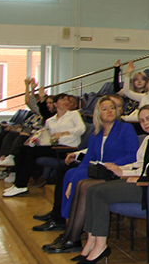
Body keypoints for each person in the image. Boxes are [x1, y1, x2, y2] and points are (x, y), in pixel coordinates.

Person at [75, 104, 149, 264]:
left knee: (99, 193)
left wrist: (140, 180)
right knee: (92, 190)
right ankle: (91, 241)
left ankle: (100, 245)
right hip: (146, 183)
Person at [49, 105, 149, 248]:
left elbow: (143, 167)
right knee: (73, 176)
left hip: (139, 182)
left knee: (87, 187)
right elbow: (138, 164)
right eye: (142, 121)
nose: (146, 123)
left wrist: (119, 170)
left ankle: (77, 237)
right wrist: (119, 169)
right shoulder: (147, 139)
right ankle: (69, 232)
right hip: (124, 172)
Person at [32, 96, 137, 246]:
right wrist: (71, 182)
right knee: (70, 173)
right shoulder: (96, 134)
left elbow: (132, 154)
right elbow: (88, 159)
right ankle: (69, 227)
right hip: (99, 169)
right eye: (105, 109)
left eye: (112, 108)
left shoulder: (125, 129)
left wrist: (112, 165)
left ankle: (72, 233)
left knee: (78, 175)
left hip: (116, 171)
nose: (110, 111)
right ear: (98, 114)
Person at [3, 93, 86, 197]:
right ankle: (17, 183)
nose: (66, 102)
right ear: (55, 104)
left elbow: (81, 129)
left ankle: (21, 185)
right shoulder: (50, 120)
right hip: (54, 146)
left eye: (67, 100)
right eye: (62, 100)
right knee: (23, 149)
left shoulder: (73, 114)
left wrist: (64, 133)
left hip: (67, 148)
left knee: (32, 152)